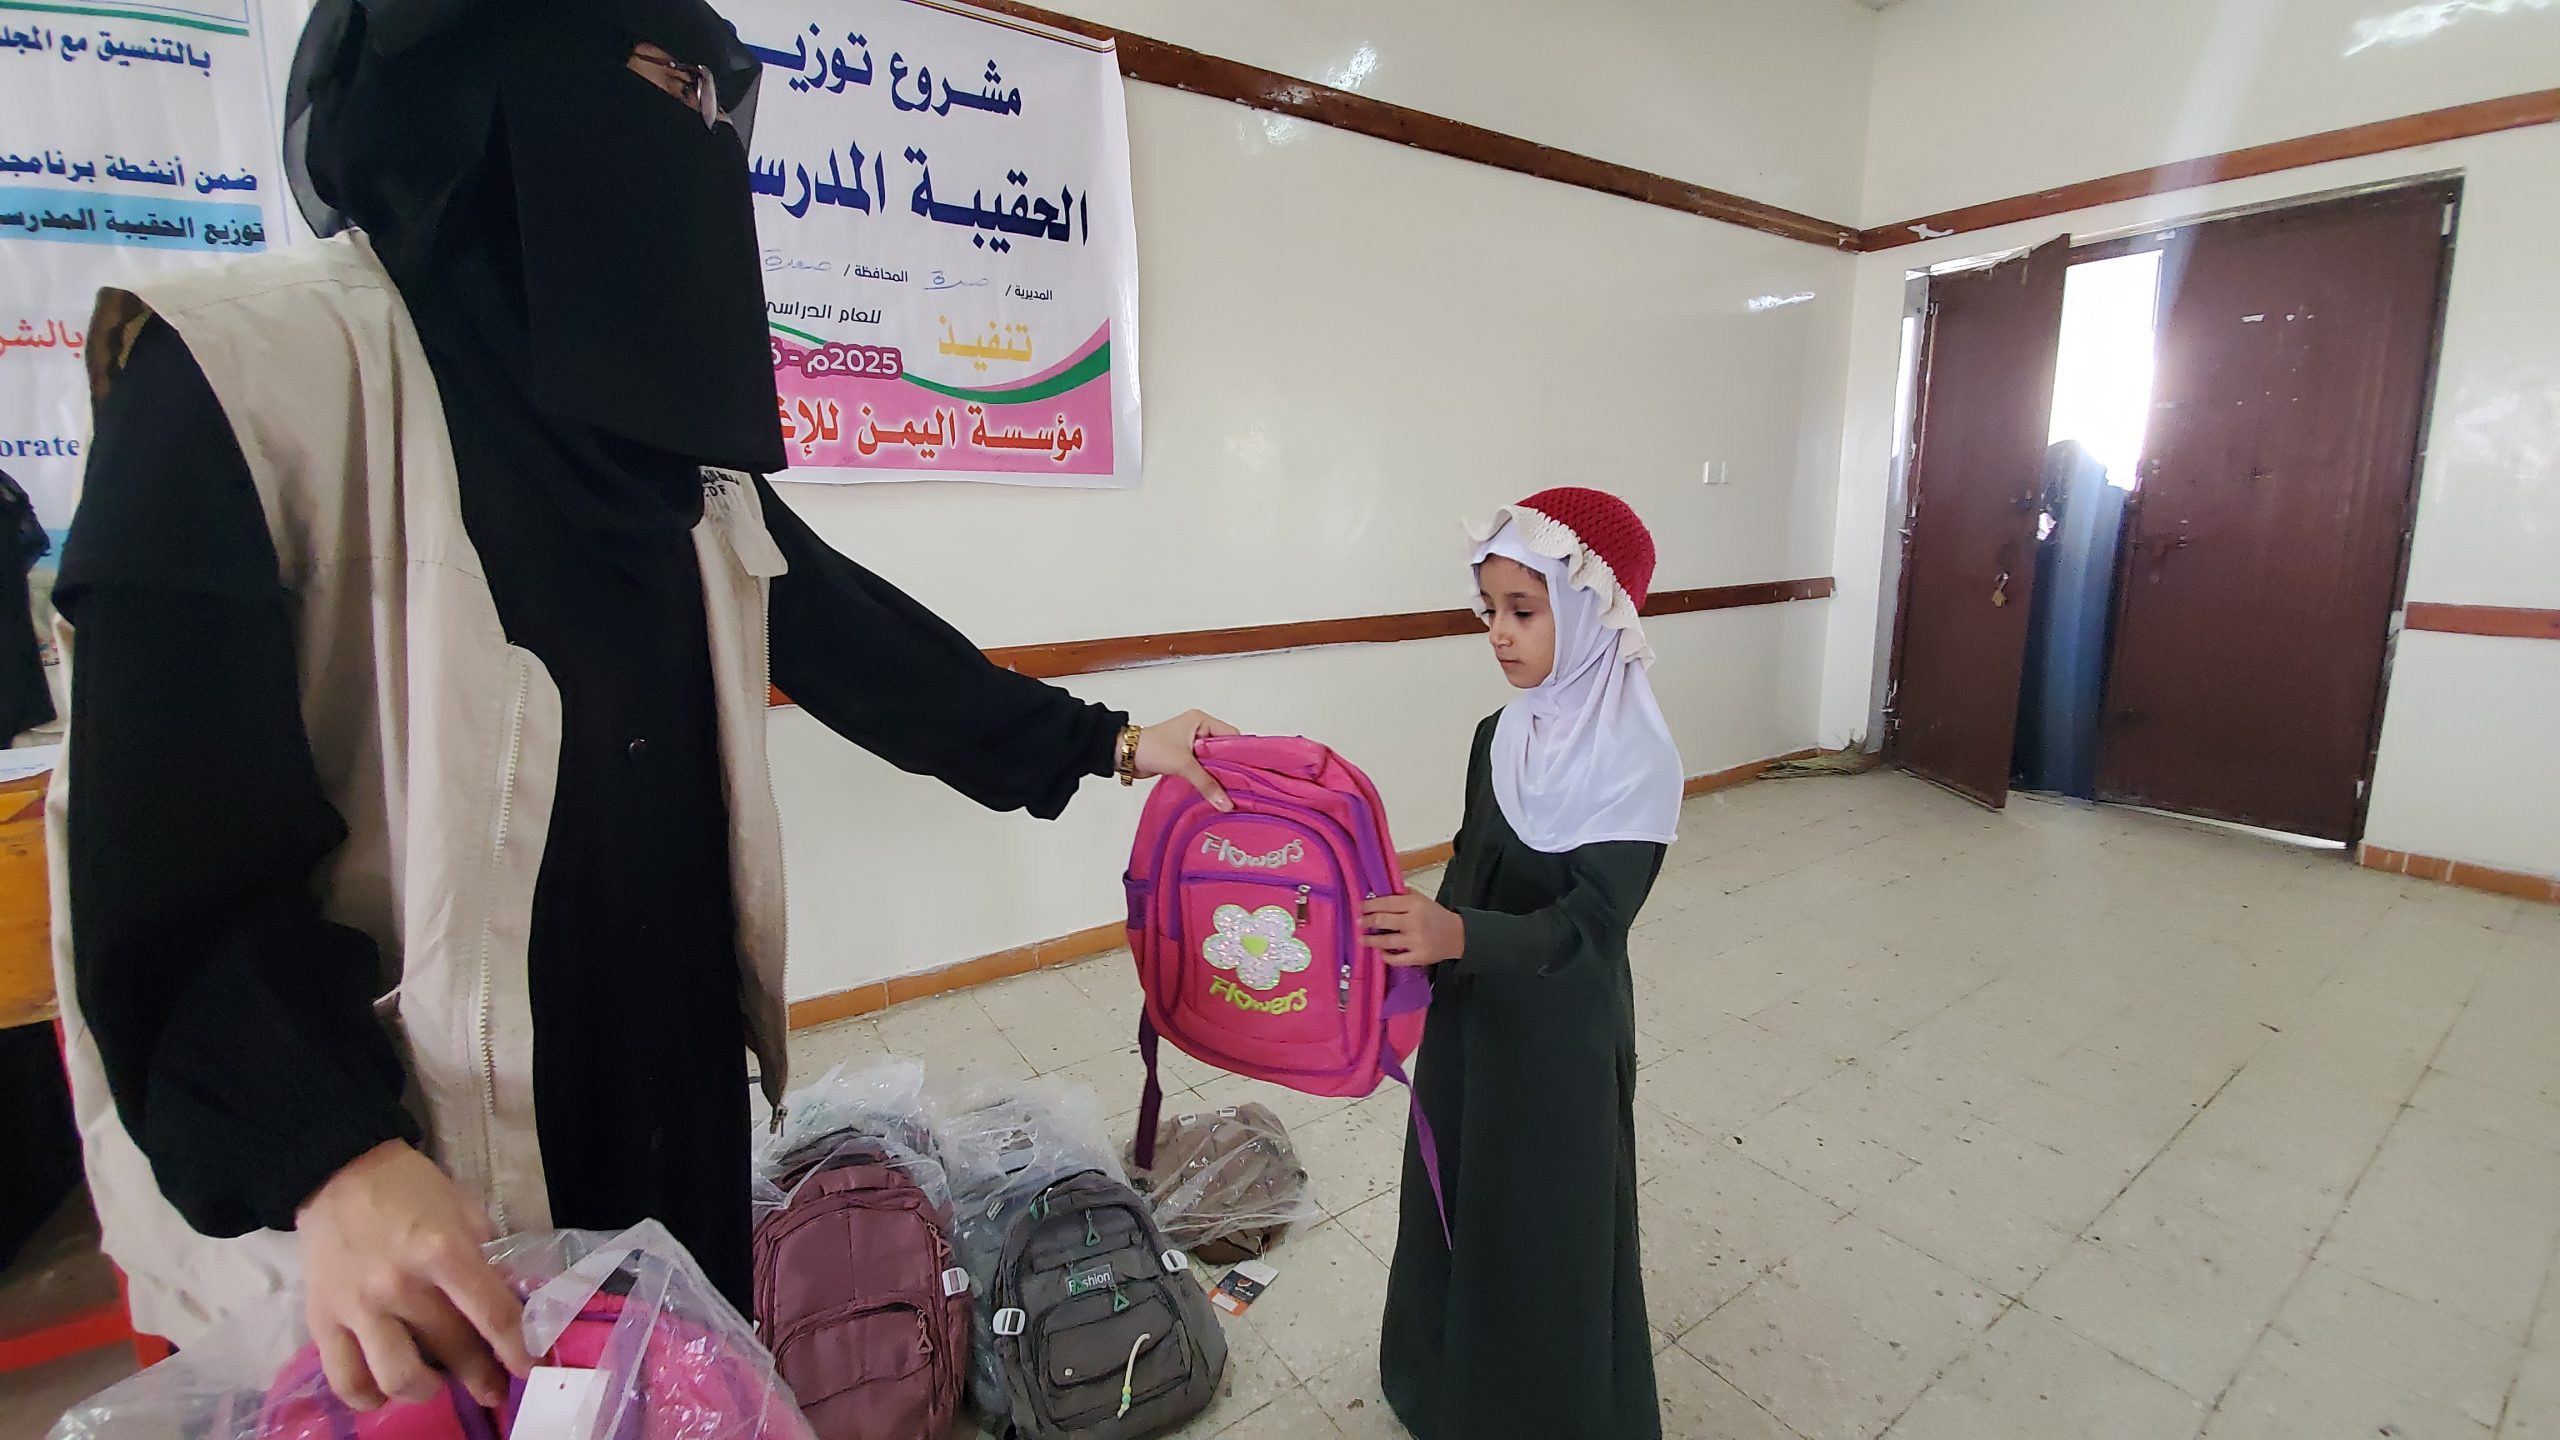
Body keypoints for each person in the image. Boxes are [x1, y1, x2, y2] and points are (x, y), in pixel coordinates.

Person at [49, 0, 1235, 1414]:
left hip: (667, 1087)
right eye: (667, 82)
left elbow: (854, 639)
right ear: (497, 79)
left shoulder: (660, 434)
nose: (701, 133)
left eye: (710, 101)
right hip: (416, 1181)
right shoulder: (247, 379)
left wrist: (1110, 743)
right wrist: (331, 1155)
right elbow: (167, 868)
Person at [1360, 488, 1682, 1440]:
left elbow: (1592, 929)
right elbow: (1472, 867)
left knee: (1541, 1225)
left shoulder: (1638, 763)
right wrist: (1411, 943)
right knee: (1456, 1198)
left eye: (1524, 611)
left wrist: (1459, 936)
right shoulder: (1497, 737)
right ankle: (1443, 1389)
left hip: (1558, 1042)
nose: (1499, 633)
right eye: (1490, 610)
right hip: (1472, 1020)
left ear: (1588, 614)